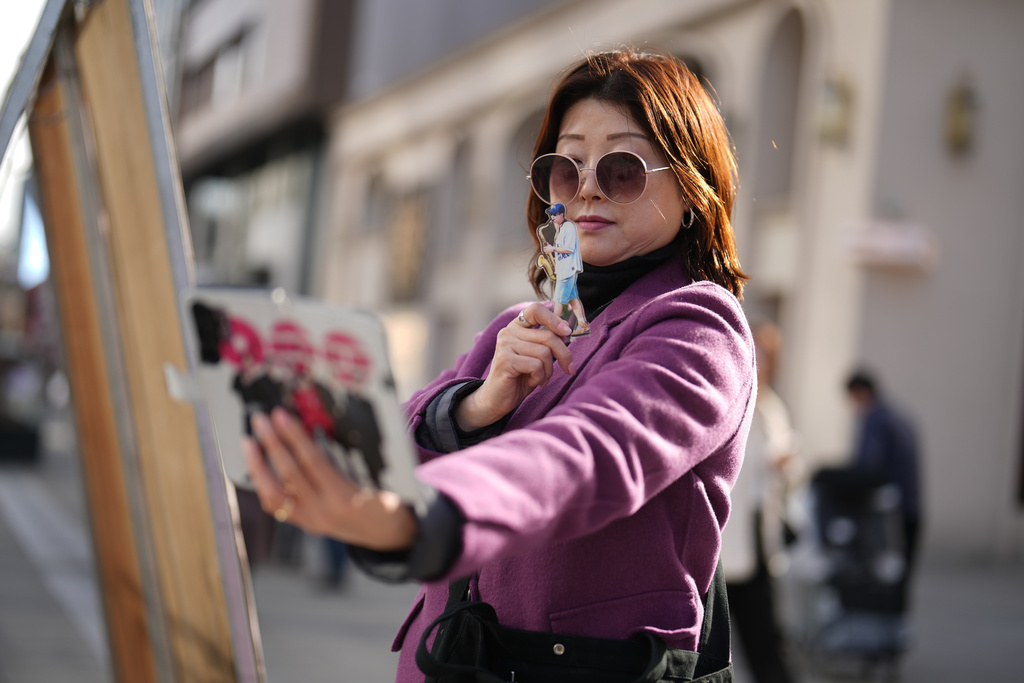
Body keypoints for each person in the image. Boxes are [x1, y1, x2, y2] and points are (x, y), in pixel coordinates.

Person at [243, 47, 755, 682]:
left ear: (691, 185)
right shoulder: (519, 326)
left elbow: (590, 455)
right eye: (566, 168)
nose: (589, 185)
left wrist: (422, 515)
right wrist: (476, 405)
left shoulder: (698, 325)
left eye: (622, 168)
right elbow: (400, 437)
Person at [722, 321, 801, 683]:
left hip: (758, 542)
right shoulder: (730, 398)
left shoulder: (772, 408)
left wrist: (784, 467)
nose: (762, 361)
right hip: (721, 544)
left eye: (768, 354)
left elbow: (787, 473)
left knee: (766, 644)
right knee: (710, 647)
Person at [845, 369, 922, 611]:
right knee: (902, 573)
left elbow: (868, 466)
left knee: (883, 573)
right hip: (912, 507)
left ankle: (878, 630)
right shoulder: (899, 417)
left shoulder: (876, 419)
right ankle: (895, 627)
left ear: (860, 392)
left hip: (890, 514)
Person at [541, 202, 589, 335]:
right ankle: (582, 324)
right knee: (574, 299)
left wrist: (552, 248)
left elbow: (569, 249)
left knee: (558, 300)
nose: (551, 218)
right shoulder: (561, 228)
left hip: (567, 270)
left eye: (554, 215)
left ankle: (554, 327)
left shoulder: (568, 227)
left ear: (561, 215)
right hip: (564, 270)